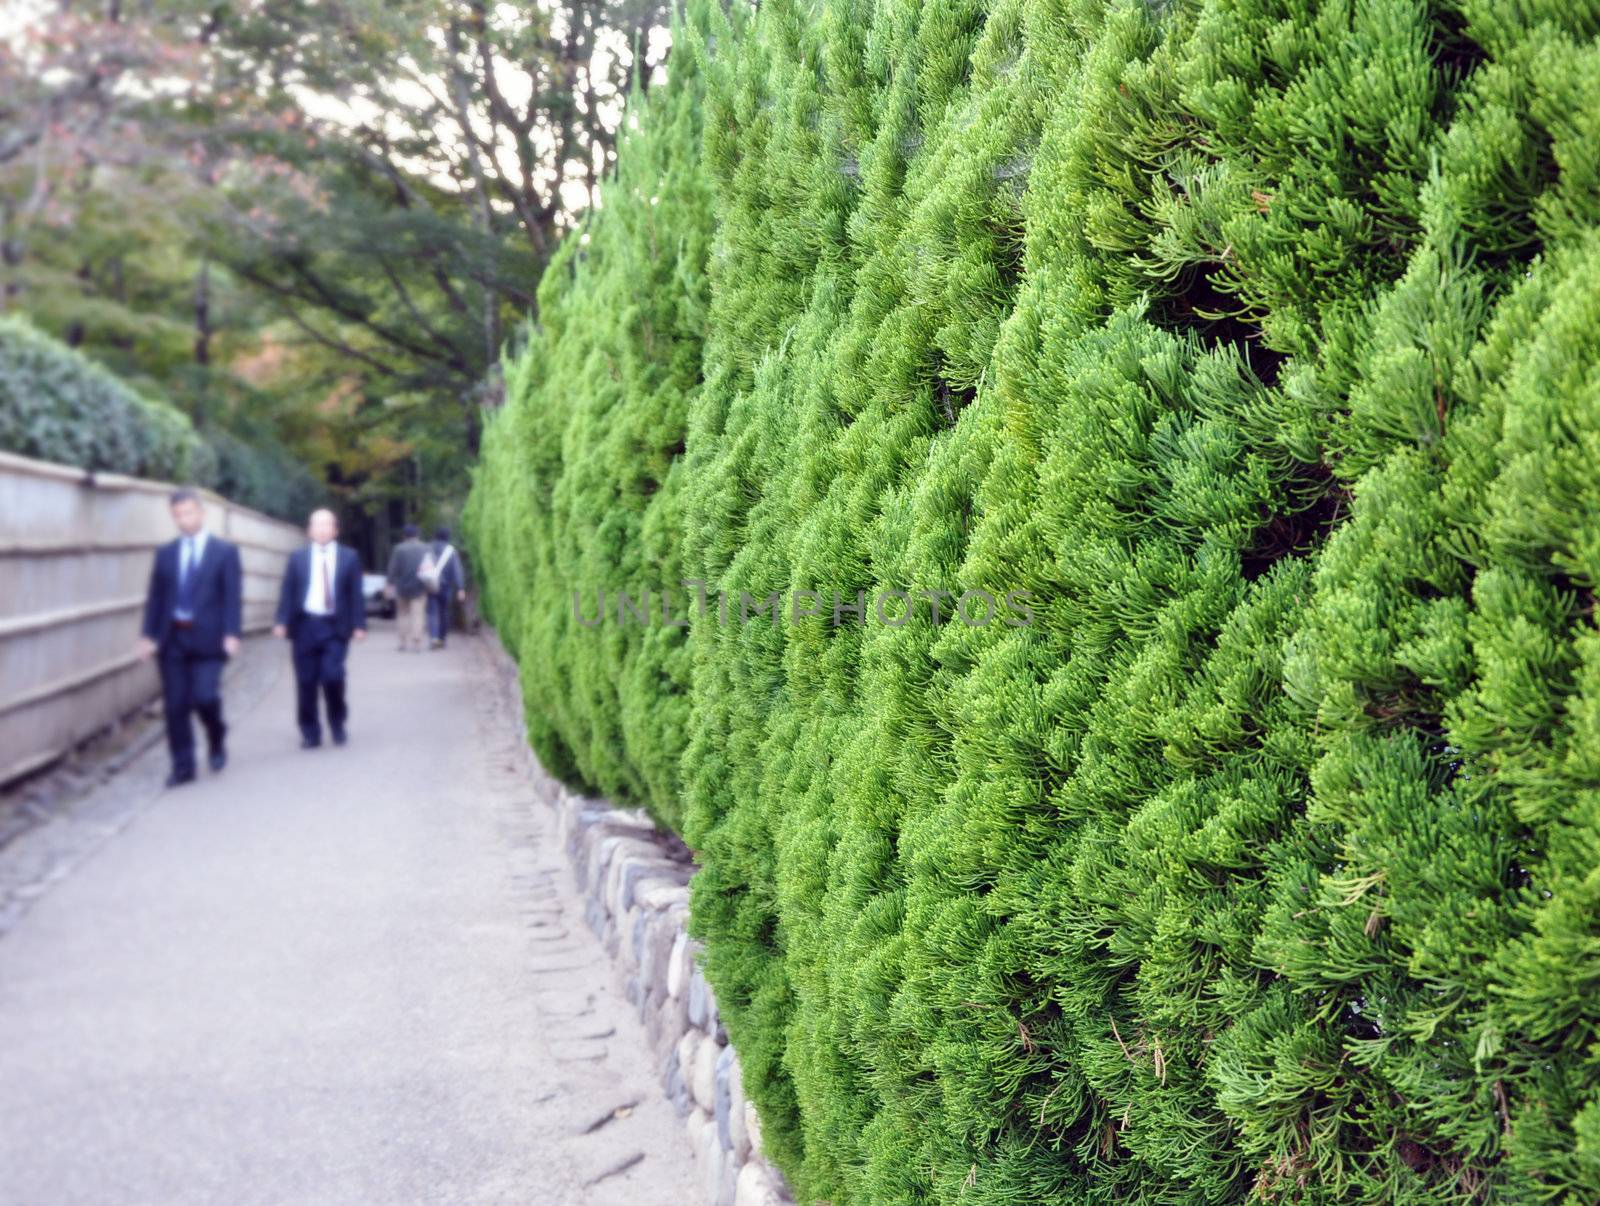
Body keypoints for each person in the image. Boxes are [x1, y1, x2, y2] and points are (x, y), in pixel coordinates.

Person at [135, 488, 243, 788]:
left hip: (209, 640)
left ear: (202, 512)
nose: (184, 519)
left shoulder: (224, 552)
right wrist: (147, 635)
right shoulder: (165, 553)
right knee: (175, 706)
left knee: (205, 697)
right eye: (178, 515)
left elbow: (232, 596)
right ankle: (183, 766)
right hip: (173, 640)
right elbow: (155, 598)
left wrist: (232, 633)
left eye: (189, 512)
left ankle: (216, 735)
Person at [272, 508, 366, 748]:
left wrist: (359, 624)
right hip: (305, 625)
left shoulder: (350, 557)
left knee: (333, 676)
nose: (322, 530)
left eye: (327, 525)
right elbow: (288, 591)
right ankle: (310, 731)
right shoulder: (297, 558)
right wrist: (282, 620)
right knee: (306, 681)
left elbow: (355, 594)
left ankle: (337, 721)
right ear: (310, 530)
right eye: (317, 525)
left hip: (335, 626)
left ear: (335, 530)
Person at [385, 523, 429, 652]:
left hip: (402, 587)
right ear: (418, 534)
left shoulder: (399, 549)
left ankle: (402, 642)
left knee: (402, 614)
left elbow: (392, 568)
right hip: (420, 586)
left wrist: (389, 583)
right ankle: (417, 642)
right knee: (418, 614)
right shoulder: (425, 548)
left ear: (404, 535)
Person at [423, 525, 468, 650]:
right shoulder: (451, 551)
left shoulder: (427, 548)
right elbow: (457, 570)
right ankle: (442, 638)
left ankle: (434, 637)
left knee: (432, 612)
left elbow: (422, 567)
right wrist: (460, 588)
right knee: (443, 612)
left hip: (430, 585)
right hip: (445, 586)